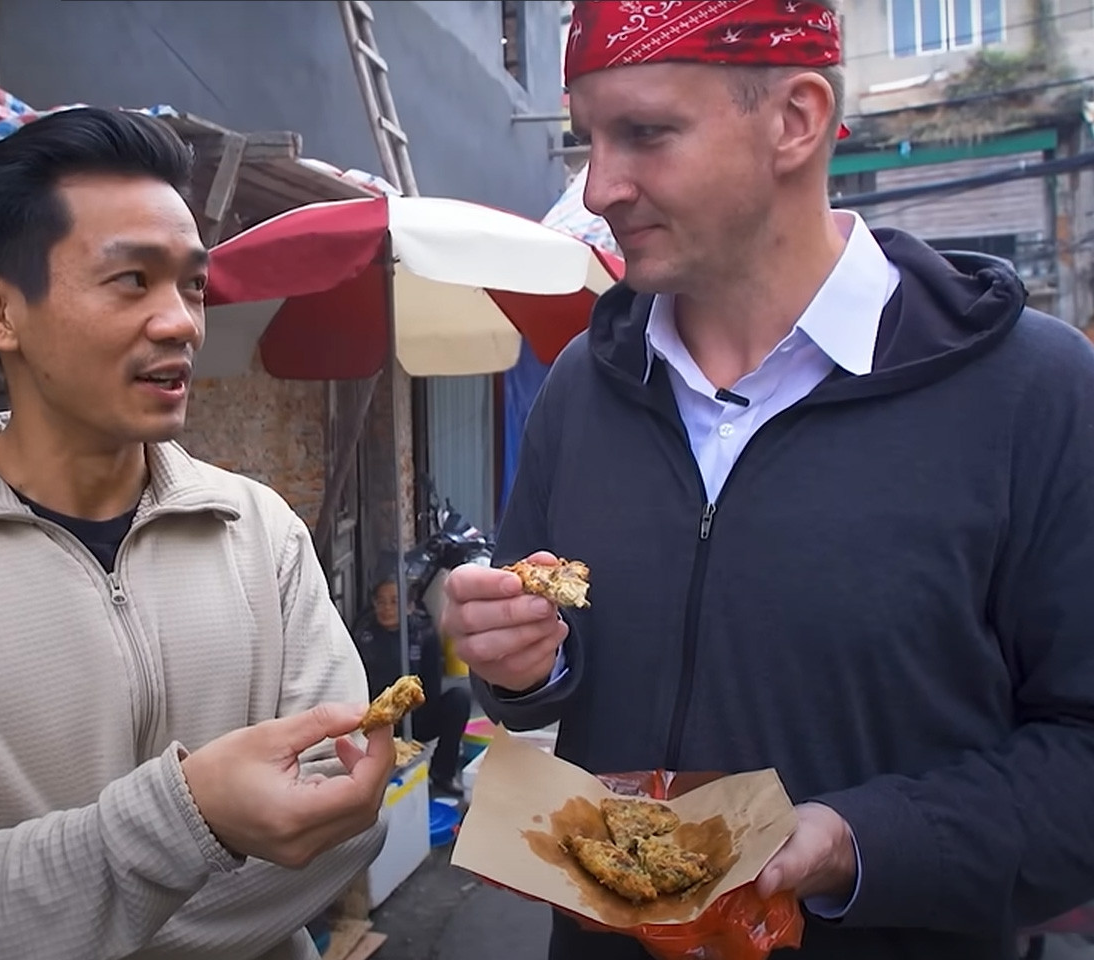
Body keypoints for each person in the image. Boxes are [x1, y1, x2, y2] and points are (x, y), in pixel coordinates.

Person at [439, 2, 1094, 958]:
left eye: (645, 133)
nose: (600, 188)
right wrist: (524, 667)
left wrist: (856, 844)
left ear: (795, 118)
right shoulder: (587, 384)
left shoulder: (1030, 393)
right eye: (587, 139)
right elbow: (544, 693)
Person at [0, 107, 393, 960]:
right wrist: (185, 824)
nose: (182, 323)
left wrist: (81, 914)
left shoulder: (260, 533)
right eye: (132, 280)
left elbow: (344, 820)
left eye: (193, 284)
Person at [351, 576, 473, 796]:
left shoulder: (423, 633)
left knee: (459, 698)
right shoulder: (364, 634)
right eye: (381, 601)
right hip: (377, 719)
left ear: (409, 606)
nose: (387, 608)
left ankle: (442, 773)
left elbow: (432, 686)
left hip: (418, 716)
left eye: (395, 601)